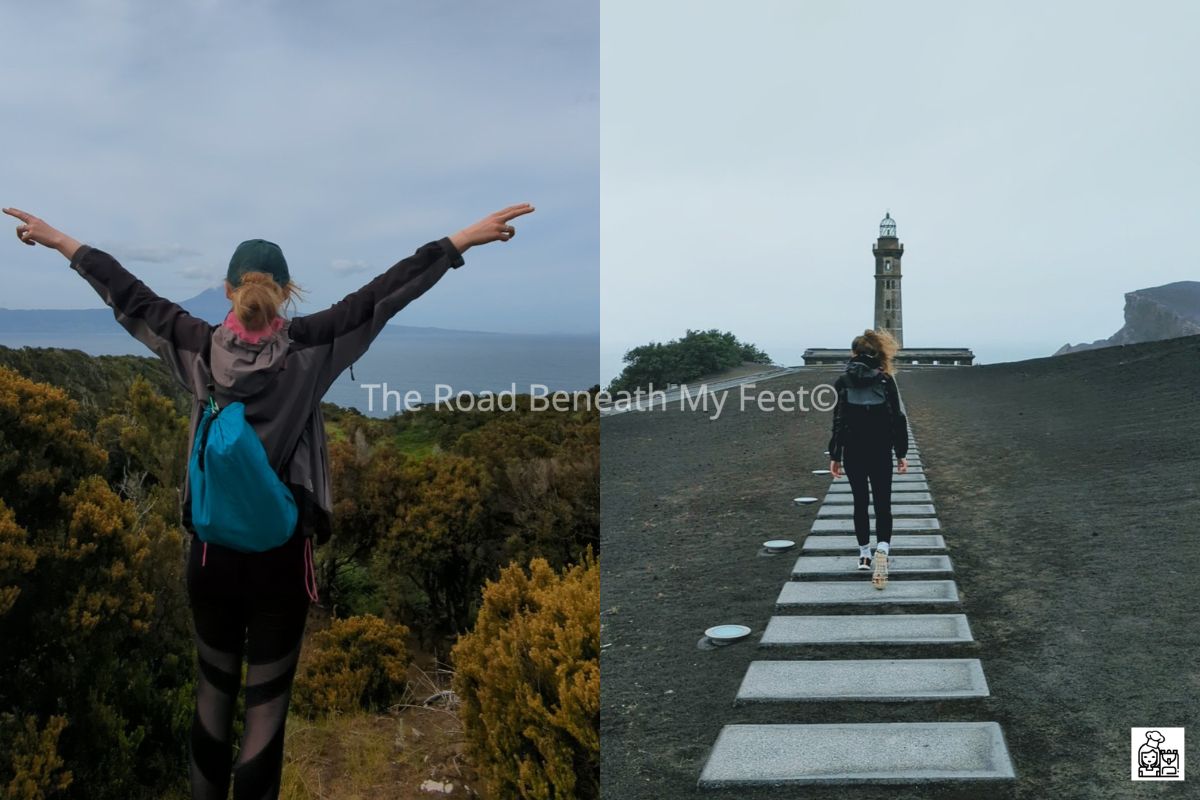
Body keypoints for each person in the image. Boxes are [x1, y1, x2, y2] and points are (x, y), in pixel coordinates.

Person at [3, 202, 534, 800]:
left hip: (210, 556)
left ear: (229, 291)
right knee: (266, 710)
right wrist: (460, 240)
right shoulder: (312, 348)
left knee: (213, 695)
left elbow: (129, 294)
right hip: (282, 556)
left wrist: (59, 241)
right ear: (286, 293)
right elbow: (385, 293)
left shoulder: (196, 346)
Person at [827, 329, 909, 589]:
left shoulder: (843, 380)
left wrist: (835, 455)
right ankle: (882, 550)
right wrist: (901, 453)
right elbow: (897, 417)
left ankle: (864, 554)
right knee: (883, 503)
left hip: (853, 450)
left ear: (854, 353)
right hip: (880, 448)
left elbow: (838, 419)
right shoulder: (885, 379)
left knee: (860, 501)